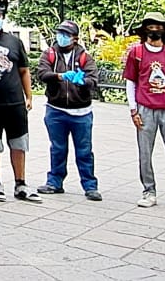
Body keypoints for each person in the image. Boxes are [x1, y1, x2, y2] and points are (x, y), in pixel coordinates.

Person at [124, 12, 165, 211]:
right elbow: (131, 82)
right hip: (145, 109)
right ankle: (149, 191)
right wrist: (133, 110)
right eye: (151, 26)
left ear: (164, 30)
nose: (155, 29)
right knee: (145, 154)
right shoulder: (136, 53)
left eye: (158, 26)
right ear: (145, 29)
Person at [0, 2, 40, 202]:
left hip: (15, 103)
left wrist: (29, 96)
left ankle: (21, 183)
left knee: (19, 143)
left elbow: (24, 70)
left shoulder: (14, 42)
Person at [36, 21, 101, 201]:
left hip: (81, 112)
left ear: (75, 38)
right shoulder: (49, 54)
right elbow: (42, 74)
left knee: (84, 151)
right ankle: (54, 182)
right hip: (56, 110)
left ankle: (90, 186)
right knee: (58, 148)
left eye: (66, 34)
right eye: (60, 33)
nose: (62, 37)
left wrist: (83, 82)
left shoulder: (85, 57)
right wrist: (60, 76)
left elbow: (93, 80)